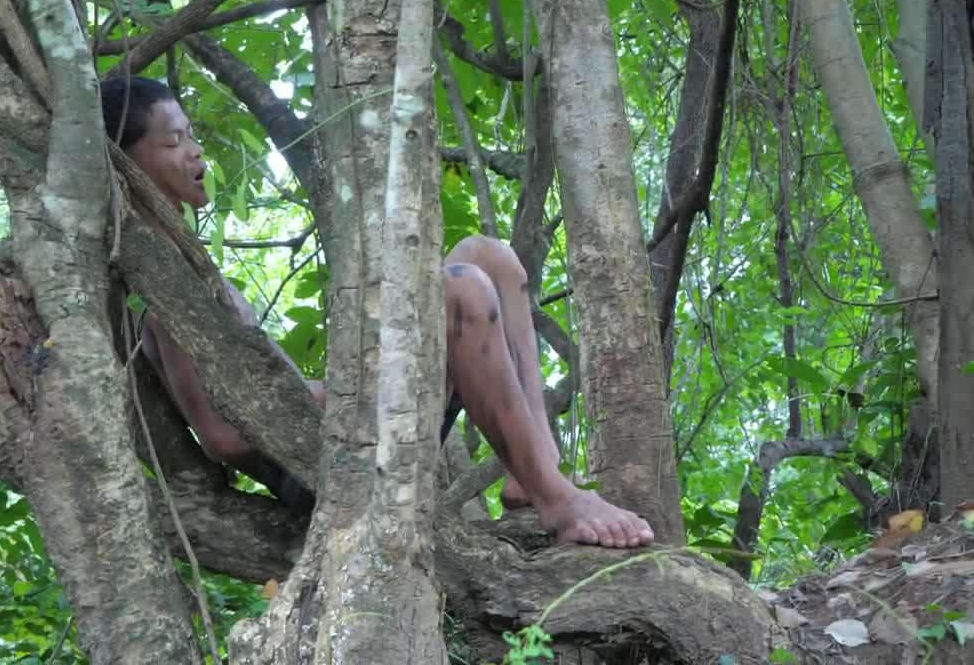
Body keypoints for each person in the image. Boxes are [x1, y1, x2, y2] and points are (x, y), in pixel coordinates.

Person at [103, 76, 654, 548]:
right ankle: (557, 501)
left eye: (191, 135)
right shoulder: (163, 286)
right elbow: (220, 435)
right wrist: (337, 391)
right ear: (128, 160)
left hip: (345, 420)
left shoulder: (187, 264)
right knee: (458, 288)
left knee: (491, 257)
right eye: (175, 141)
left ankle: (533, 470)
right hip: (317, 462)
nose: (196, 151)